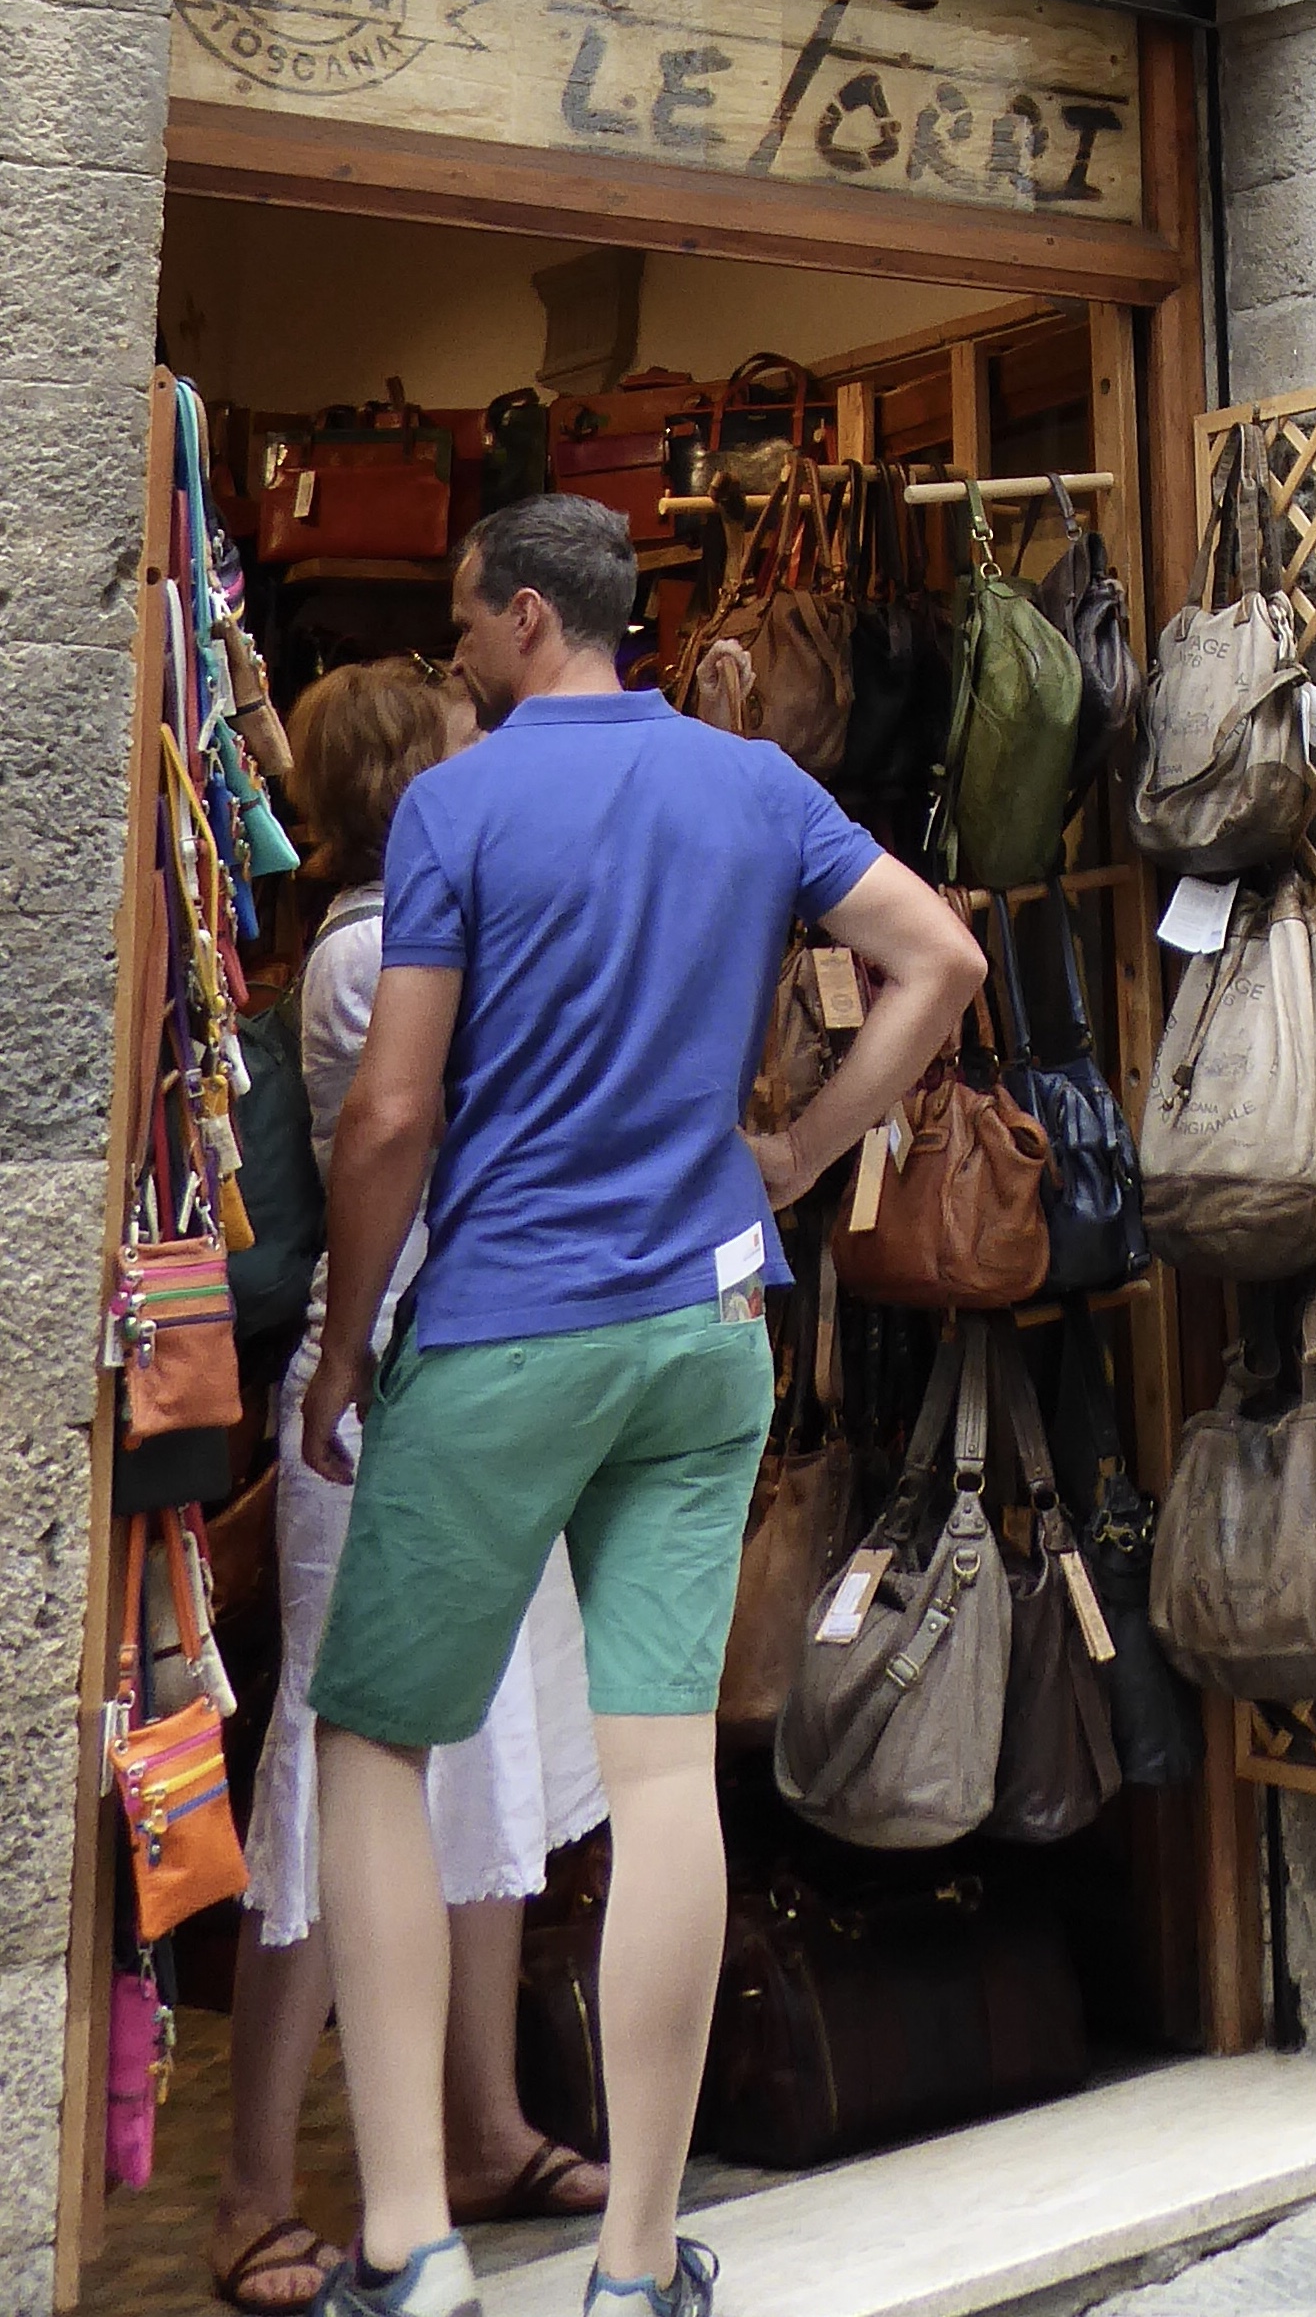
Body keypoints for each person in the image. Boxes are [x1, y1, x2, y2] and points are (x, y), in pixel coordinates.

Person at [300, 498, 989, 2317]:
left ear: (530, 617)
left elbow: (389, 1116)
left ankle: (409, 2245)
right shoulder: (753, 785)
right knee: (664, 1773)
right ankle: (632, 2267)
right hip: (703, 1325)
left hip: (509, 1329)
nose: (456, 654)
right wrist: (796, 1156)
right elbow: (944, 959)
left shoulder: (458, 807)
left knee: (371, 1746)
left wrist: (344, 1344)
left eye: (465, 623)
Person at [211, 658, 607, 2315]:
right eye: (461, 750)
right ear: (412, 791)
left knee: (486, 1753)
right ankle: (251, 2194)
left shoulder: (420, 936)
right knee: (334, 1772)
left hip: (472, 1385)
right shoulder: (376, 954)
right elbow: (454, 1130)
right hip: (379, 1397)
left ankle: (485, 2127)